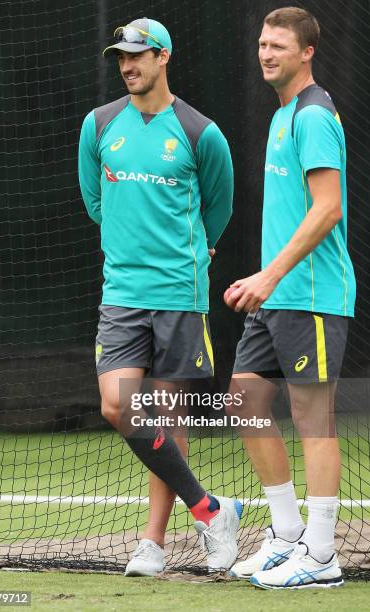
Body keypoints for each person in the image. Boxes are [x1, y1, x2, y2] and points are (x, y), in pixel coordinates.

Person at [78, 17, 241, 576]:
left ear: (164, 57)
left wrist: (195, 249)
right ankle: (210, 509)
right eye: (121, 57)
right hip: (122, 292)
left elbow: (216, 209)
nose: (127, 65)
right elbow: (95, 203)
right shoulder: (99, 126)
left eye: (138, 55)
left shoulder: (201, 132)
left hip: (179, 294)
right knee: (119, 406)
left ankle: (152, 543)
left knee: (165, 417)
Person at [225, 7, 355, 589]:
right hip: (275, 294)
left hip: (310, 294)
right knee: (245, 398)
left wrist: (268, 277)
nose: (266, 53)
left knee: (313, 418)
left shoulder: (314, 115)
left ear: (306, 52)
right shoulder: (283, 117)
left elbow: (329, 208)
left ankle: (322, 554)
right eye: (261, 43)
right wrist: (263, 281)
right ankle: (284, 534)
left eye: (279, 45)